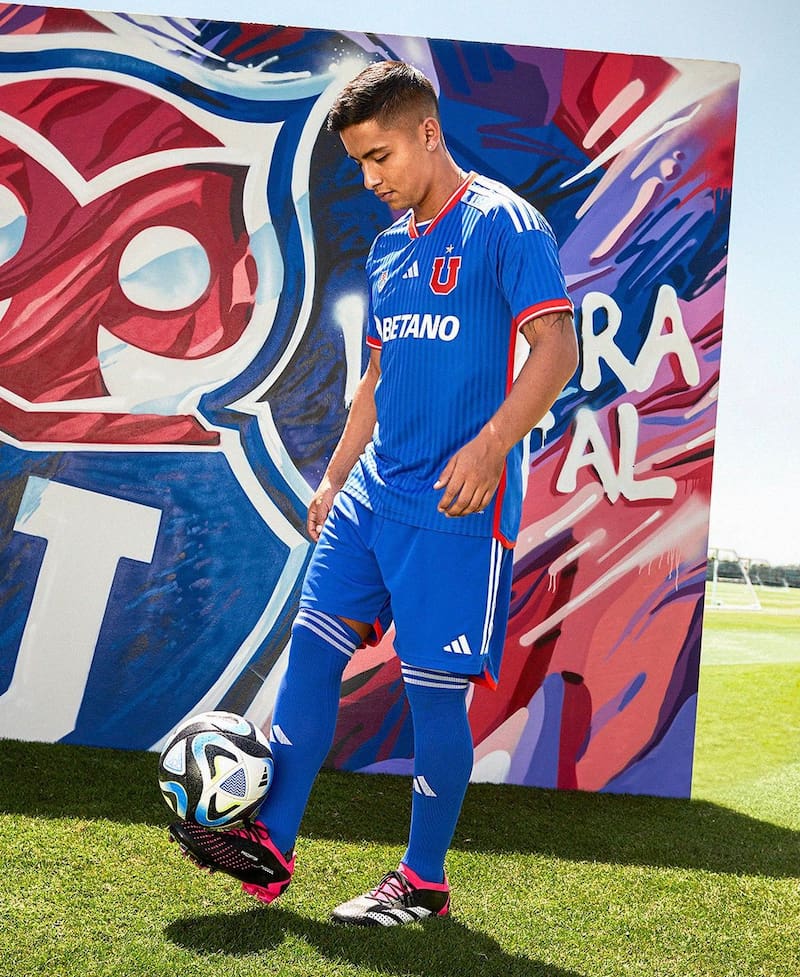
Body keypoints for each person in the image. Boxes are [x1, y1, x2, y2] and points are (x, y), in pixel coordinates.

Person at [169, 60, 578, 927]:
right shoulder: (390, 249)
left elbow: (555, 351)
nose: (372, 178)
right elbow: (376, 380)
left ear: (429, 132)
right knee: (311, 655)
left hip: (457, 511)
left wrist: (493, 444)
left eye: (380, 156)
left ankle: (422, 878)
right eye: (359, 163)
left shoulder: (508, 225)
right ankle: (272, 846)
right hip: (371, 500)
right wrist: (334, 474)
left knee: (433, 695)